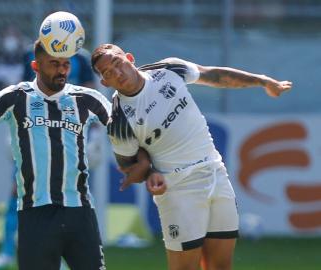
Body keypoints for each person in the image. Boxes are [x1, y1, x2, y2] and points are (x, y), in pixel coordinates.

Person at [91, 43, 292, 270]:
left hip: (215, 172)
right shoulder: (118, 121)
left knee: (221, 266)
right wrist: (149, 172)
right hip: (178, 188)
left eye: (118, 63)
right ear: (104, 82)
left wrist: (262, 81)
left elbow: (213, 74)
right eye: (108, 73)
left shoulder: (168, 70)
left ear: (129, 58)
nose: (117, 73)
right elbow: (128, 165)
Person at [0, 39, 113, 270]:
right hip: (34, 215)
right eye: (54, 64)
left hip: (80, 213)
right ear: (35, 66)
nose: (62, 70)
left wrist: (138, 163)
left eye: (65, 64)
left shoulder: (88, 99)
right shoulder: (13, 97)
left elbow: (125, 130)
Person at [0, 46, 100, 270]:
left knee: (75, 195)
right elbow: (19, 91)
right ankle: (7, 251)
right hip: (33, 133)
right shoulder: (30, 53)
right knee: (20, 192)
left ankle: (64, 256)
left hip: (70, 136)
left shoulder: (82, 58)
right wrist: (12, 132)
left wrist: (93, 134)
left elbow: (89, 90)